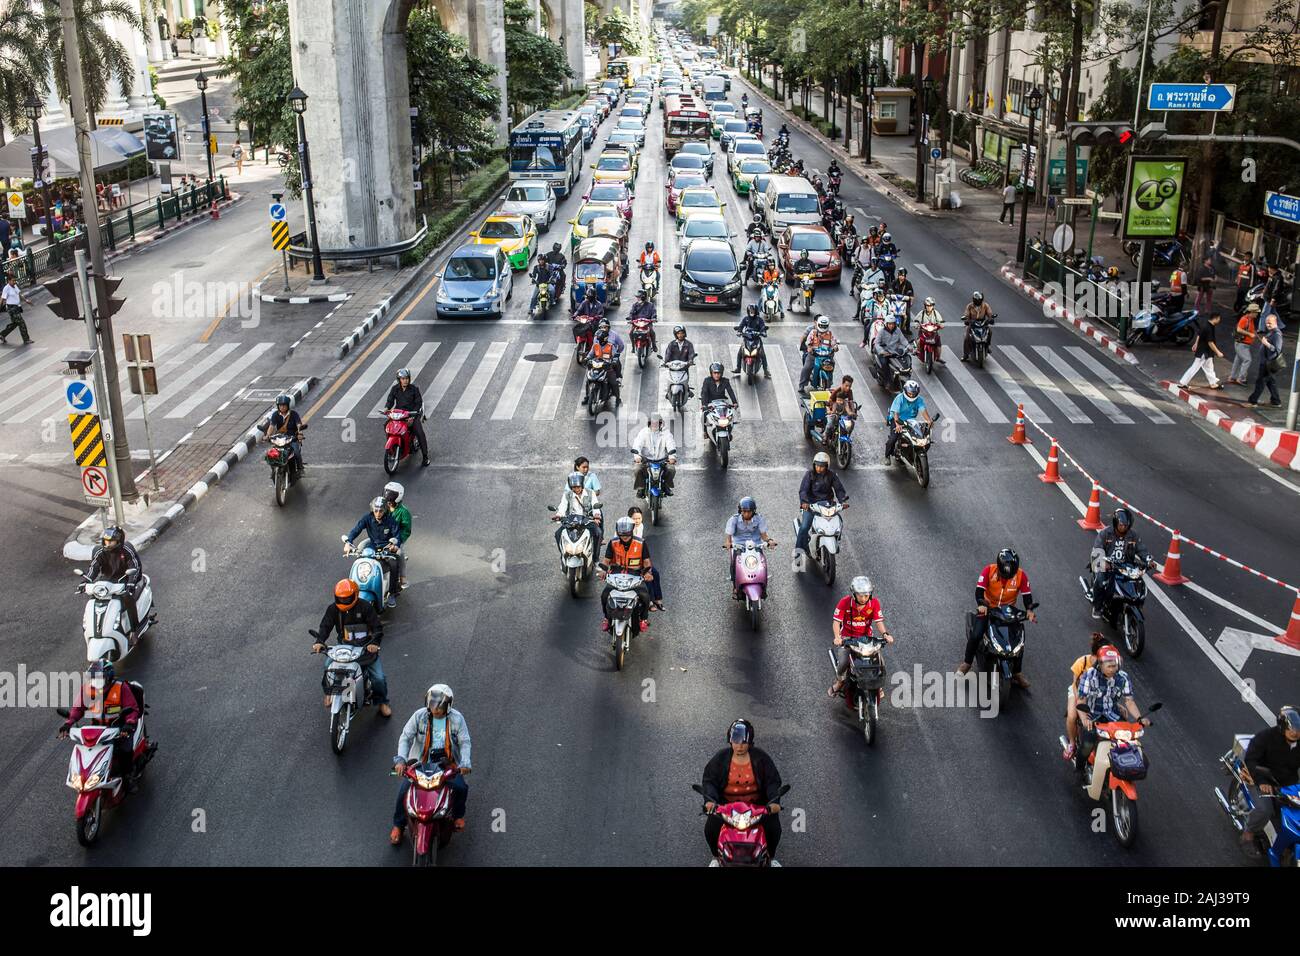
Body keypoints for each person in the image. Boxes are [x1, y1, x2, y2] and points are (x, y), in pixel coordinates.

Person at [390, 684, 473, 844]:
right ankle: (398, 825)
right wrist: (401, 760)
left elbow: (465, 742)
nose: (435, 710)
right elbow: (405, 737)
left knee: (461, 788)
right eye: (432, 705)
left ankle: (458, 816)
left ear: (448, 706)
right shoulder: (419, 716)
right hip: (421, 763)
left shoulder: (457, 719)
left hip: (446, 764)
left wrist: (465, 763)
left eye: (439, 707)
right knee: (404, 792)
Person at [700, 719, 784, 861]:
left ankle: (771, 857)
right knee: (711, 828)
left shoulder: (761, 758)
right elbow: (710, 781)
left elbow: (772, 782)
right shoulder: (720, 759)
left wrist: (773, 802)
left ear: (750, 742)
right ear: (730, 741)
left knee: (773, 827)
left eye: (744, 742)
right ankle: (716, 857)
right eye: (736, 742)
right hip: (726, 806)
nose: (739, 746)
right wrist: (710, 801)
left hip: (757, 806)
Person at [56, 661, 143, 785]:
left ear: (108, 677)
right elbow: (78, 709)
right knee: (88, 749)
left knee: (125, 749)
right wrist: (68, 723)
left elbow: (132, 708)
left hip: (119, 726)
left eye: (99, 678)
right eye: (93, 678)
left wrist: (129, 723)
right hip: (97, 726)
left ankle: (128, 776)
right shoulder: (87, 689)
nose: (95, 681)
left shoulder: (121, 687)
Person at [958, 548, 1036, 684]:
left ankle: (1017, 672)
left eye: (1010, 576)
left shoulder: (1021, 576)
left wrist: (1029, 610)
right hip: (988, 608)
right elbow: (979, 592)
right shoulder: (988, 571)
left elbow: (1027, 596)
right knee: (976, 635)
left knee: (1019, 639)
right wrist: (981, 603)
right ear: (999, 568)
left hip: (1008, 612)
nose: (1008, 578)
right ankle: (967, 663)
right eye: (1004, 575)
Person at [312, 579, 390, 717]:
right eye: (340, 599)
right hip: (344, 647)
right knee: (328, 666)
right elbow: (325, 626)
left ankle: (382, 702)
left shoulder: (365, 607)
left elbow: (377, 628)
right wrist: (320, 641)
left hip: (365, 648)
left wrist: (374, 644)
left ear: (356, 595)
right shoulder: (333, 609)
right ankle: (330, 692)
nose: (344, 602)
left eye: (347, 598)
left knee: (378, 678)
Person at [1073, 645, 1149, 768]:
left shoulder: (1123, 677)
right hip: (1092, 715)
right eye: (1110, 666)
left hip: (1113, 714)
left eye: (1115, 665)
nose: (1113, 669)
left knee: (1128, 740)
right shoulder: (1089, 676)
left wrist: (1139, 718)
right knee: (1087, 744)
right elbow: (1081, 701)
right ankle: (1079, 769)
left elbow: (1129, 701)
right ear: (1100, 665)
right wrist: (1084, 719)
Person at [1238, 705, 1300, 854]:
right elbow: (1251, 760)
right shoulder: (1265, 737)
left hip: (1286, 784)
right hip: (1259, 779)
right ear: (1281, 726)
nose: (1295, 733)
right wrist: (1262, 781)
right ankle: (1248, 833)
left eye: (1298, 729)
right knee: (1265, 810)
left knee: (1293, 814)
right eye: (1291, 729)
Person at [829, 576, 894, 699]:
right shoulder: (844, 602)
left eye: (866, 595)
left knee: (879, 662)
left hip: (866, 639)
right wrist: (838, 637)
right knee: (843, 663)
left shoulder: (874, 603)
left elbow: (878, 621)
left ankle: (878, 685)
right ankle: (839, 682)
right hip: (848, 639)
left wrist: (885, 634)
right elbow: (836, 622)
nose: (863, 598)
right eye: (860, 595)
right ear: (854, 594)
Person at [1088, 508, 1157, 619]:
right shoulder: (1105, 533)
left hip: (1126, 566)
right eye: (1121, 525)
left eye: (1126, 525)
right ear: (1115, 523)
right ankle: (1098, 606)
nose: (1124, 527)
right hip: (1108, 565)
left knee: (1139, 583)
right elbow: (1097, 549)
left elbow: (1142, 549)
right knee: (1101, 581)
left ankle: (1136, 604)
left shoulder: (1133, 535)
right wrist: (1103, 562)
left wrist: (1149, 560)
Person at [597, 516, 654, 632]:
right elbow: (606, 560)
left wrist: (647, 573)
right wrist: (603, 570)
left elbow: (647, 561)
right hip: (616, 573)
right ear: (618, 533)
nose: (625, 538)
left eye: (627, 535)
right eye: (622, 535)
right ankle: (607, 618)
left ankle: (643, 618)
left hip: (635, 574)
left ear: (632, 531)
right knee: (604, 596)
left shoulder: (641, 543)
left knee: (645, 596)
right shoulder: (613, 543)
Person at [343, 496, 402, 606]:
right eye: (376, 510)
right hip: (373, 546)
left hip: (386, 547)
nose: (378, 513)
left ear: (385, 511)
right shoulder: (367, 518)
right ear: (372, 510)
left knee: (393, 563)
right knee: (361, 561)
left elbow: (397, 535)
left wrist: (395, 545)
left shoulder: (390, 520)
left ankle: (392, 593)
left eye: (380, 511)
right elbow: (356, 530)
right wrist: (348, 542)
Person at [88, 526, 144, 636]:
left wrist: (131, 583)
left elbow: (135, 567)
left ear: (119, 541)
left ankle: (134, 630)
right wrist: (86, 581)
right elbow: (93, 568)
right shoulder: (99, 551)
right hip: (107, 580)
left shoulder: (126, 550)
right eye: (106, 541)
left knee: (128, 598)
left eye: (111, 541)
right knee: (94, 599)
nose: (107, 544)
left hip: (124, 579)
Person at [1061, 632, 1108, 760]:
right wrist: (1078, 701)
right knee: (1072, 715)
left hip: (1095, 694)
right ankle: (1071, 743)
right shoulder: (1082, 662)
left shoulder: (1105, 667)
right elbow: (1075, 684)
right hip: (1077, 693)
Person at [795, 451, 849, 556]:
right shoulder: (809, 475)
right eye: (817, 466)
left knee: (839, 521)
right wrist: (805, 502)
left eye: (822, 466)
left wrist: (843, 501)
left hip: (827, 505)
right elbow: (803, 490)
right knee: (805, 527)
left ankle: (835, 541)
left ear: (827, 466)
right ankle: (798, 552)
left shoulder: (831, 475)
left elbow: (839, 489)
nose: (819, 468)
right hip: (812, 505)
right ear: (814, 465)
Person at [724, 496, 777, 593]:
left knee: (762, 562)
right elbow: (729, 535)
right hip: (739, 545)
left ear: (753, 511)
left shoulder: (759, 519)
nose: (746, 514)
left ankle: (763, 584)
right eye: (744, 511)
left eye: (749, 511)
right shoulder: (734, 519)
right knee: (735, 563)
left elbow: (764, 535)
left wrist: (769, 541)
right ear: (740, 511)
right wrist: (728, 543)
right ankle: (735, 586)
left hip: (755, 544)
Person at [383, 368, 431, 466]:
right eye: (403, 379)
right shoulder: (395, 389)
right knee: (386, 426)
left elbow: (418, 403)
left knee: (420, 433)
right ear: (399, 380)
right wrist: (386, 408)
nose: (405, 380)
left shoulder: (414, 389)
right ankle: (394, 447)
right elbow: (390, 400)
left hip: (412, 414)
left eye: (407, 378)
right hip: (399, 415)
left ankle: (425, 457)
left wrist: (413, 417)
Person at [552, 469, 603, 555]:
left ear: (582, 485)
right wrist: (558, 515)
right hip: (571, 521)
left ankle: (595, 559)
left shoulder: (590, 493)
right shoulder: (567, 495)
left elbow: (595, 505)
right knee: (558, 534)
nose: (576, 489)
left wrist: (596, 515)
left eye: (578, 487)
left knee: (598, 533)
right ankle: (563, 555)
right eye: (574, 487)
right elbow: (562, 506)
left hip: (587, 520)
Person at [630, 412, 677, 496]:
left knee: (671, 469)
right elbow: (637, 444)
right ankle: (641, 488)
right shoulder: (643, 432)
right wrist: (637, 456)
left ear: (660, 423)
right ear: (649, 423)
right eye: (652, 422)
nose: (654, 424)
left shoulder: (666, 432)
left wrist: (672, 457)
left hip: (662, 460)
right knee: (637, 469)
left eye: (656, 422)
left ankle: (665, 486)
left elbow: (671, 444)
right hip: (646, 460)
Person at [885, 380, 931, 462]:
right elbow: (896, 414)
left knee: (922, 438)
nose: (912, 395)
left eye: (914, 393)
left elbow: (923, 411)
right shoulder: (899, 398)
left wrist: (929, 421)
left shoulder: (919, 400)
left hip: (911, 420)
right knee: (893, 438)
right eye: (910, 393)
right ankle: (887, 456)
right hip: (897, 420)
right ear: (905, 391)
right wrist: (898, 425)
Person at [1177, 311, 1225, 390]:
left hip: (1206, 352)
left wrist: (1196, 344)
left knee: (1209, 368)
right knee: (1195, 367)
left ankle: (1213, 383)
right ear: (1215, 318)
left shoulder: (1206, 324)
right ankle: (1183, 383)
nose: (1219, 320)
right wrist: (1218, 352)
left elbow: (1199, 334)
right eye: (1219, 318)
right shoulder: (1209, 328)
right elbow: (1210, 342)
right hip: (1204, 352)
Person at [628, 506, 664, 610]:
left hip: (638, 557)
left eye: (639, 518)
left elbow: (639, 544)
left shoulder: (640, 526)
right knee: (646, 576)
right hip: (628, 560)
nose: (637, 521)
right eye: (634, 519)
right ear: (629, 518)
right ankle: (650, 602)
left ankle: (658, 599)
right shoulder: (624, 529)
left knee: (655, 573)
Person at [1246, 313, 1284, 408]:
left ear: (1275, 322)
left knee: (1260, 382)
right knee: (1271, 382)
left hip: (1268, 363)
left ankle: (1252, 400)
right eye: (1266, 323)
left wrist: (1266, 343)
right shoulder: (1271, 332)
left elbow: (1277, 350)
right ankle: (1276, 401)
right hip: (1266, 362)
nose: (1267, 325)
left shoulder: (1277, 334)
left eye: (1270, 323)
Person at [261, 394, 305, 474]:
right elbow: (272, 426)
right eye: (280, 405)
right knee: (272, 454)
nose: (282, 407)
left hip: (292, 438)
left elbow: (299, 425)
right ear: (278, 406)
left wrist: (300, 434)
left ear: (287, 405)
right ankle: (274, 470)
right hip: (280, 438)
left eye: (284, 405)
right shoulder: (275, 415)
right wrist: (267, 436)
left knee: (296, 452)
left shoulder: (294, 414)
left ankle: (300, 468)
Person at [383, 481, 412, 591]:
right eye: (387, 494)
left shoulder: (404, 512)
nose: (388, 499)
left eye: (391, 496)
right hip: (381, 537)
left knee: (400, 554)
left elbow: (406, 530)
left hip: (396, 539)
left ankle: (402, 578)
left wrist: (398, 542)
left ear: (398, 497)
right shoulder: (383, 507)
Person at [798, 315, 838, 393]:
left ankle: (830, 380)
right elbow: (808, 342)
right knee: (806, 368)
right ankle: (802, 385)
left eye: (824, 326)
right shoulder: (813, 332)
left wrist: (835, 347)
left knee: (832, 365)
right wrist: (809, 347)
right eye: (821, 325)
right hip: (814, 355)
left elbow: (833, 342)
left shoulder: (830, 334)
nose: (823, 327)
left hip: (827, 356)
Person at [584, 326, 622, 405]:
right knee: (588, 380)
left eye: (599, 338)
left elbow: (615, 356)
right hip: (597, 366)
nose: (598, 339)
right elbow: (591, 354)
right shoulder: (595, 346)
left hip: (608, 368)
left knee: (613, 383)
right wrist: (586, 358)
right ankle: (587, 396)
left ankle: (618, 398)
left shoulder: (610, 346)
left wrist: (614, 361)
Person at [699, 362, 739, 432]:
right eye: (715, 373)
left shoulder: (725, 381)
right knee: (704, 414)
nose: (717, 375)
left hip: (722, 402)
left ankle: (729, 429)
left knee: (729, 414)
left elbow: (730, 391)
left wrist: (734, 402)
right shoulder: (707, 381)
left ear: (721, 373)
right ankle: (705, 431)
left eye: (718, 373)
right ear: (711, 373)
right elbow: (704, 393)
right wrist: (704, 404)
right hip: (710, 402)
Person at [732, 304, 770, 377]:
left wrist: (763, 332)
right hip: (747, 339)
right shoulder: (746, 319)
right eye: (750, 311)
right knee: (740, 353)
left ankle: (765, 370)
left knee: (762, 354)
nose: (752, 312)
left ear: (756, 311)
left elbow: (763, 327)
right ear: (748, 311)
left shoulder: (759, 320)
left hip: (756, 340)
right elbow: (741, 326)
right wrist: (739, 331)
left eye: (753, 311)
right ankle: (738, 368)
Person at [872, 315, 910, 388]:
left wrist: (908, 346)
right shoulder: (881, 332)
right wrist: (882, 351)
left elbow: (903, 340)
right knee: (884, 364)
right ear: (886, 324)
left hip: (895, 351)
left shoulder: (898, 330)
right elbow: (877, 343)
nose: (891, 325)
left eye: (893, 324)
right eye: (889, 324)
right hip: (885, 352)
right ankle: (887, 381)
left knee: (905, 359)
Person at [1229, 303, 1260, 385]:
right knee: (1247, 360)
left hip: (1243, 344)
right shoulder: (1244, 319)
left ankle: (1233, 376)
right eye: (1256, 312)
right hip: (1241, 344)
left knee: (1238, 360)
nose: (1257, 314)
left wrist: (1254, 334)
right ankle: (1241, 378)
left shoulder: (1250, 319)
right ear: (1252, 312)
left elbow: (1251, 329)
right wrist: (1250, 334)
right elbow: (1239, 329)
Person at [960, 291, 995, 362]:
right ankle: (965, 355)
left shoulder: (985, 305)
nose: (978, 301)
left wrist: (990, 319)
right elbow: (966, 315)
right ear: (973, 300)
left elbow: (990, 313)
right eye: (976, 300)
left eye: (979, 300)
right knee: (967, 338)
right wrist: (967, 320)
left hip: (983, 323)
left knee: (990, 332)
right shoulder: (969, 306)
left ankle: (987, 346)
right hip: (972, 323)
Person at [0, 273, 34, 345]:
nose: (14, 282)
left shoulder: (15, 286)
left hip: (17, 307)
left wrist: (26, 300)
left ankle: (2, 335)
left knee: (15, 324)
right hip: (11, 308)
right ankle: (26, 339)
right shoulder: (6, 288)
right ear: (8, 281)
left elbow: (19, 294)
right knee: (21, 323)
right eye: (13, 280)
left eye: (15, 280)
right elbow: (2, 298)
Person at [915, 296, 946, 364]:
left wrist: (941, 325)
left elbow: (940, 321)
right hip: (923, 331)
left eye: (930, 306)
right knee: (919, 341)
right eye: (927, 306)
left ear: (933, 306)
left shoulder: (935, 313)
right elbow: (917, 320)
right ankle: (918, 351)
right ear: (925, 306)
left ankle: (938, 357)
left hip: (933, 332)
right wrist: (917, 325)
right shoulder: (922, 313)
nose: (929, 307)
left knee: (938, 344)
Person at [628, 289, 659, 353]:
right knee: (631, 333)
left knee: (652, 332)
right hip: (636, 323)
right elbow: (631, 313)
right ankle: (633, 346)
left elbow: (654, 313)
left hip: (647, 323)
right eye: (637, 297)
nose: (637, 298)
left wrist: (654, 318)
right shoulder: (635, 305)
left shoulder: (650, 305)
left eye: (639, 297)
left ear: (643, 297)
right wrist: (630, 319)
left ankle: (654, 345)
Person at [891, 268, 915, 332]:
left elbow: (912, 295)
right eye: (900, 275)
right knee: (889, 312)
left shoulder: (908, 284)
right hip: (895, 301)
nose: (901, 277)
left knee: (907, 313)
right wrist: (889, 294)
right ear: (898, 275)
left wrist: (911, 299)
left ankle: (907, 329)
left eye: (903, 276)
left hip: (905, 302)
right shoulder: (894, 282)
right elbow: (890, 290)